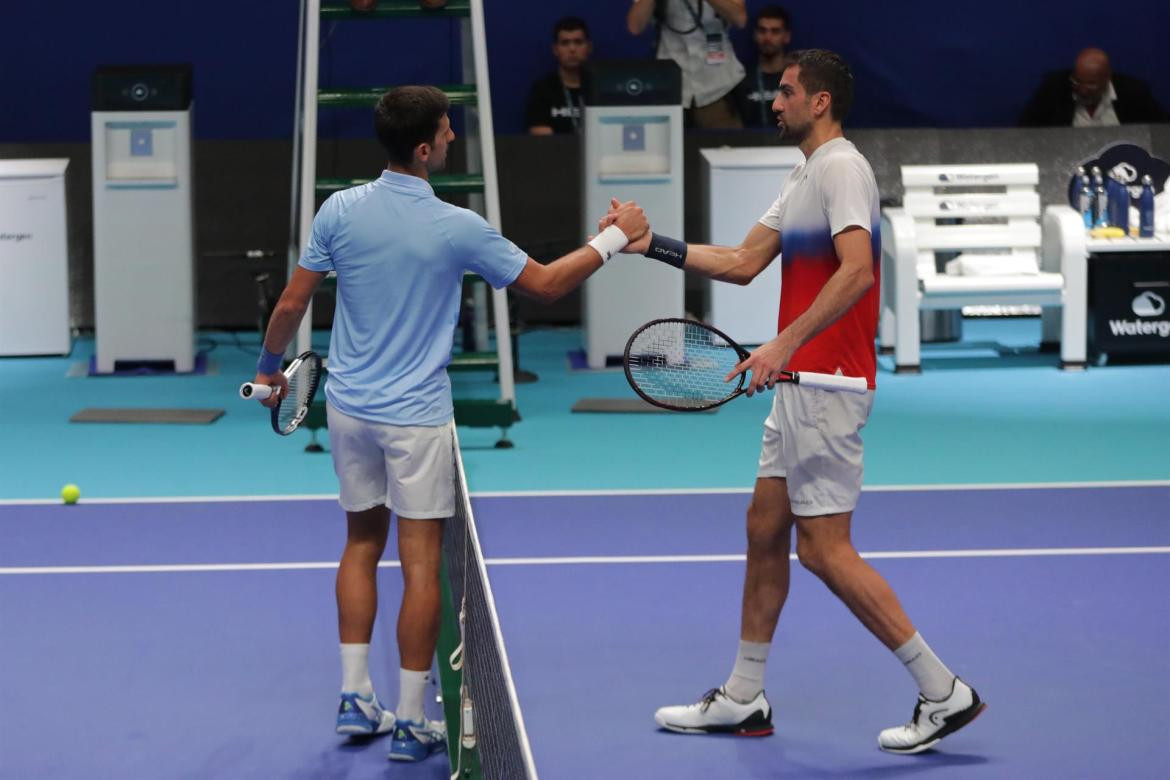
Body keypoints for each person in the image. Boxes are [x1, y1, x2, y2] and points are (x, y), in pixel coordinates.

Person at [601, 49, 985, 754]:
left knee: (825, 551)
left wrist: (784, 345)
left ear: (820, 102)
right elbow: (744, 264)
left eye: (784, 92)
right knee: (763, 525)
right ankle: (744, 696)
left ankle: (943, 691)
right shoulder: (806, 172)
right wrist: (649, 244)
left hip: (825, 382)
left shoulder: (842, 168)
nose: (773, 102)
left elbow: (859, 272)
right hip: (800, 383)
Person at [251, 86, 646, 763]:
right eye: (447, 130)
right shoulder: (456, 225)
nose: (454, 139)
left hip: (347, 411)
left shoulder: (339, 208)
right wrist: (615, 237)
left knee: (359, 544)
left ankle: (354, 696)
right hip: (415, 421)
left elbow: (292, 302)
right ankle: (409, 719)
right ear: (427, 147)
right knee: (422, 564)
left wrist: (269, 371)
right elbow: (548, 283)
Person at [627, 0, 747, 129]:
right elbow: (635, 26)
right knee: (670, 146)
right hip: (672, 86)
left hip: (717, 86)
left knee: (723, 146)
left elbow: (739, 18)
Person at [1019, 47, 1168, 127]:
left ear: (1107, 78)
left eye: (1091, 85)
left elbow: (1162, 130)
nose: (1082, 90)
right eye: (1077, 82)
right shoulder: (1053, 89)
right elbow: (1027, 131)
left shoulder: (1133, 92)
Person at [525, 17, 593, 135]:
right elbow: (539, 134)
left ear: (589, 47)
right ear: (556, 50)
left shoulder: (599, 87)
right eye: (565, 43)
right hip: (555, 153)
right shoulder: (543, 89)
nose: (572, 49)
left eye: (578, 42)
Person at [736, 5, 791, 128]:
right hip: (750, 145)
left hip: (790, 145)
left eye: (775, 31)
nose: (768, 38)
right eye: (762, 30)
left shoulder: (798, 79)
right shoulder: (740, 80)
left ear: (786, 36)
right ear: (755, 35)